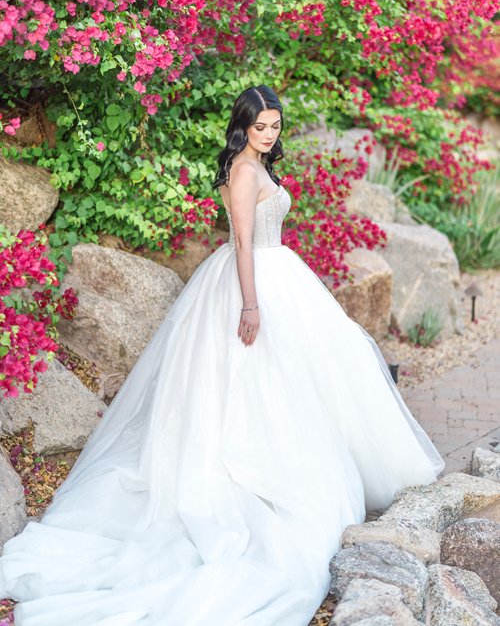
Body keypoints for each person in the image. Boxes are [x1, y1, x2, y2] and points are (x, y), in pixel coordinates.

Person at [0, 84, 445, 626]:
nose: (269, 134)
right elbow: (240, 241)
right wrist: (251, 306)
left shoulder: (259, 165)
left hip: (280, 273)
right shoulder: (242, 170)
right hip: (250, 282)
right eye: (261, 127)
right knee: (248, 382)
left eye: (276, 126)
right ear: (243, 126)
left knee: (304, 380)